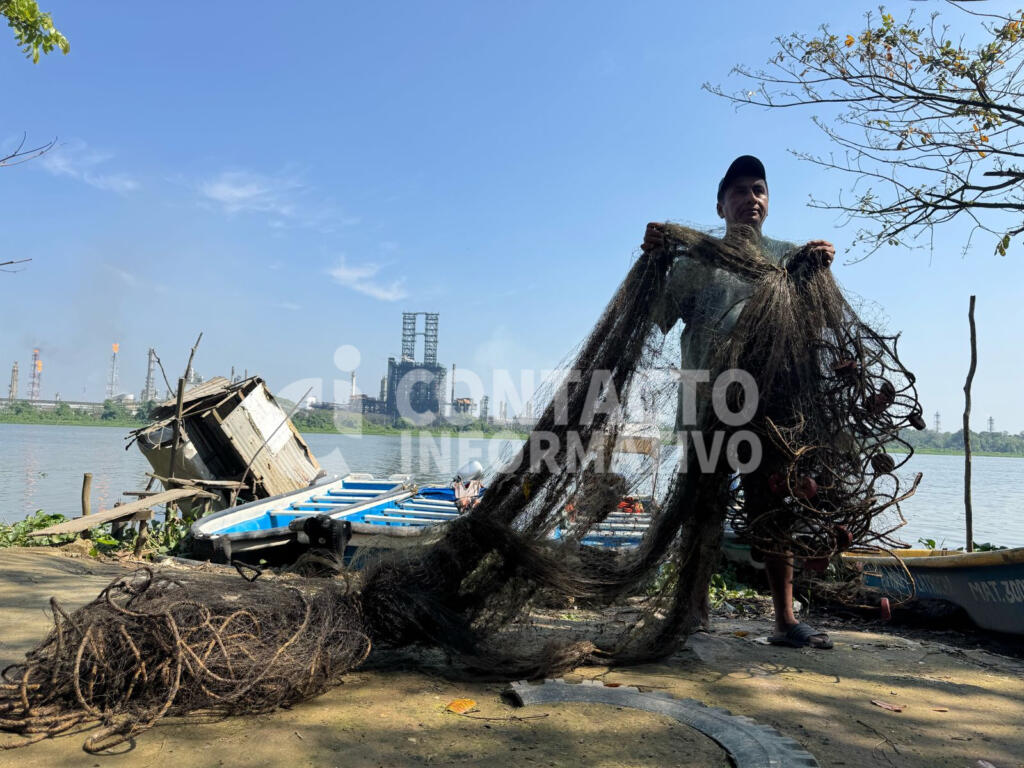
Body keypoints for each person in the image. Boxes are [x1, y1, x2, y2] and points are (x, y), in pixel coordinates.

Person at [643, 155, 836, 649]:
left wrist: (819, 274)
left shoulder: (790, 260)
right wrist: (655, 260)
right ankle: (692, 611)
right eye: (741, 191)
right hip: (705, 406)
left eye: (760, 190)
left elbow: (817, 330)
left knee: (772, 507)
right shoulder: (695, 262)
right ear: (720, 205)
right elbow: (657, 317)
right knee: (702, 506)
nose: (752, 198)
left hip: (772, 407)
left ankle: (785, 621)